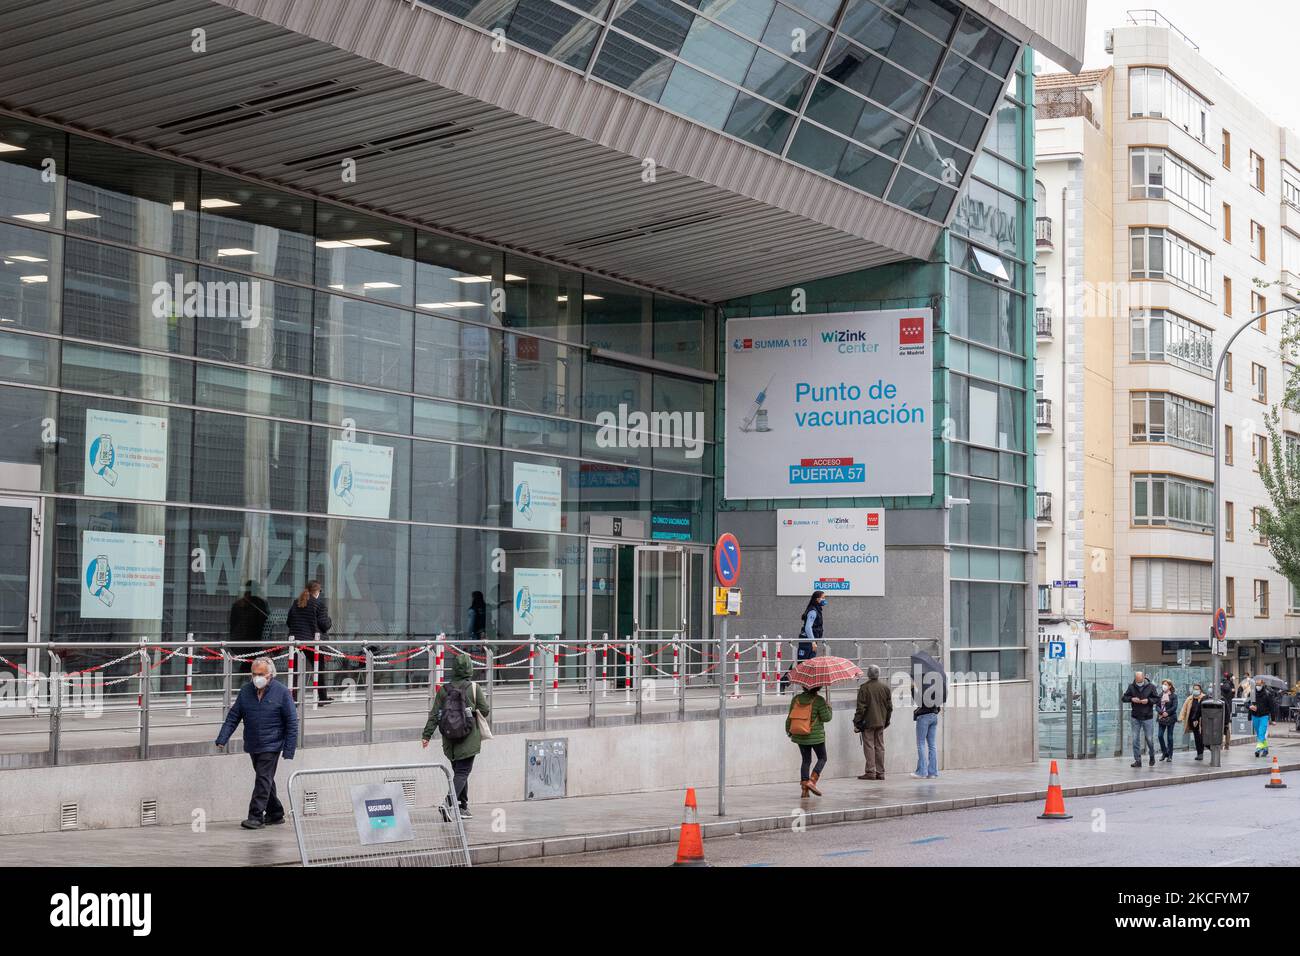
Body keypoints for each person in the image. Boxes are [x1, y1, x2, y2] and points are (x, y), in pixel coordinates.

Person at [215, 656, 298, 830]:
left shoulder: (282, 692)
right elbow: (233, 716)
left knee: (262, 778)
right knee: (266, 779)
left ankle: (255, 817)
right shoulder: (246, 691)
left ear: (270, 675)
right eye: (254, 674)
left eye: (261, 674)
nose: (257, 677)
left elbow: (292, 721)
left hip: (272, 744)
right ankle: (275, 813)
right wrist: (222, 738)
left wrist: (289, 749)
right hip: (253, 743)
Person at [422, 653, 490, 819]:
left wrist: (426, 735)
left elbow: (435, 714)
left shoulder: (444, 690)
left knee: (459, 772)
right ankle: (447, 803)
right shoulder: (474, 688)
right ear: (469, 668)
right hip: (468, 739)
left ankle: (463, 807)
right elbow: (485, 710)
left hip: (450, 740)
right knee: (462, 773)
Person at [286, 580, 332, 705]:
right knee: (318, 669)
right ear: (317, 591)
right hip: (312, 642)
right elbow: (324, 625)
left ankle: (293, 699)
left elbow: (288, 622)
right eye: (320, 591)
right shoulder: (319, 605)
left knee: (294, 671)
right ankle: (321, 698)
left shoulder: (296, 603)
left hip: (296, 641)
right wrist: (329, 620)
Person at [785, 682, 832, 798]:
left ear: (803, 686)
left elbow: (790, 717)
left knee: (806, 760)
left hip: (800, 735)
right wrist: (829, 708)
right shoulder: (819, 700)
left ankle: (804, 789)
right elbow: (827, 718)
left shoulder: (796, 699)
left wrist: (789, 731)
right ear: (819, 687)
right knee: (822, 758)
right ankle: (812, 781)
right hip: (816, 737)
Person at [780, 591, 826, 692]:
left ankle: (809, 687)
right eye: (823, 598)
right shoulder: (813, 611)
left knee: (810, 665)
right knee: (800, 663)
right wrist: (813, 641)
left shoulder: (817, 610)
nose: (824, 600)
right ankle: (784, 681)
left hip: (811, 641)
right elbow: (808, 627)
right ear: (817, 599)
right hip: (807, 642)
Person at [853, 664, 892, 780]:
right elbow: (890, 707)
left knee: (869, 746)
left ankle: (871, 772)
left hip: (868, 722)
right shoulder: (885, 688)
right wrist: (886, 721)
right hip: (881, 721)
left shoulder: (864, 688)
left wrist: (856, 722)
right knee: (880, 746)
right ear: (878, 674)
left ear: (868, 674)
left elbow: (861, 708)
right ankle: (881, 772)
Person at [229, 580, 269, 674]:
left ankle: (244, 679)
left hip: (240, 639)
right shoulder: (260, 603)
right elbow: (265, 622)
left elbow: (232, 624)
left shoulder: (238, 604)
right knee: (251, 663)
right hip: (254, 639)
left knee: (248, 663)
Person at [1122, 670, 1159, 768]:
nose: (1138, 683)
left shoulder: (1151, 687)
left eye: (1140, 680)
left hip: (1148, 717)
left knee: (1149, 739)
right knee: (1135, 739)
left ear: (1143, 678)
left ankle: (1152, 756)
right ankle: (1138, 760)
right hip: (1135, 717)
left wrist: (1148, 700)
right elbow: (1124, 698)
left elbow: (1157, 699)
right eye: (1137, 681)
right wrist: (1131, 699)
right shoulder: (1131, 687)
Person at [911, 680, 941, 779]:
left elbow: (918, 701)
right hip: (934, 716)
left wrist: (912, 688)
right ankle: (932, 772)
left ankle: (922, 772)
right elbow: (939, 705)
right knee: (932, 745)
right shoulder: (936, 686)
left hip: (924, 717)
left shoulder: (924, 687)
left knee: (921, 743)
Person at [1249, 676, 1274, 758]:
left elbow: (1271, 707)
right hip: (1255, 716)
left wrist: (1273, 719)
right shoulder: (1252, 693)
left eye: (1259, 684)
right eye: (1256, 684)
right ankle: (1265, 749)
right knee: (1259, 734)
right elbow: (1246, 702)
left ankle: (1258, 749)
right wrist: (1250, 706)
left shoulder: (1267, 694)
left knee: (1261, 732)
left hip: (1264, 716)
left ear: (1263, 684)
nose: (1258, 686)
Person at [1155, 679, 1179, 762]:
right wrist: (1161, 712)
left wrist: (1167, 713)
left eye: (1165, 684)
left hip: (1170, 718)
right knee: (1160, 735)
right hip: (1161, 717)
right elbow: (1157, 706)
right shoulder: (1160, 695)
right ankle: (1165, 752)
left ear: (1170, 686)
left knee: (1169, 737)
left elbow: (1174, 707)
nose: (1164, 686)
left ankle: (1170, 755)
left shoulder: (1173, 696)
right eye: (1163, 684)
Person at [1182, 683, 1206, 760]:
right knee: (1197, 737)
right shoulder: (1189, 698)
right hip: (1192, 720)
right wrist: (1181, 718)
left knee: (1201, 737)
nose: (1195, 690)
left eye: (1197, 689)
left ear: (1200, 690)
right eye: (1194, 689)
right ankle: (1199, 753)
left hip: (1201, 721)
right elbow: (1184, 709)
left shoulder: (1203, 698)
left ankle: (1201, 752)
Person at [1219, 671, 1235, 750]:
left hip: (1220, 707)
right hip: (1228, 708)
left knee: (1219, 726)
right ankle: (1227, 745)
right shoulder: (1231, 685)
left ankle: (1220, 744)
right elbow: (1233, 695)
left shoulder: (1221, 684)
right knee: (1227, 726)